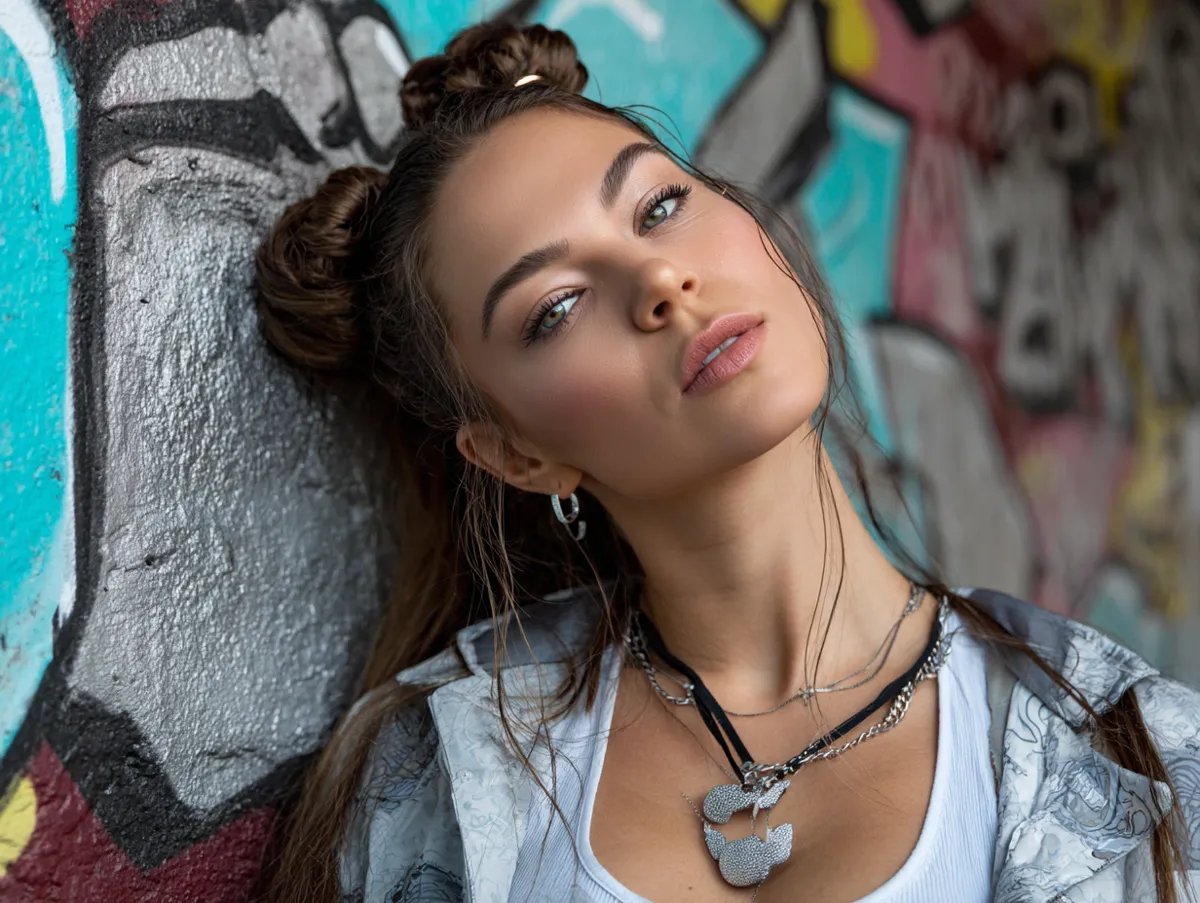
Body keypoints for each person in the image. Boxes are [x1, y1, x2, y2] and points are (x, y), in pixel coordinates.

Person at [254, 21, 1200, 903]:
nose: (659, 281)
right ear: (517, 453)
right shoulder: (435, 777)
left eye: (660, 205)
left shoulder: (1141, 758)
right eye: (555, 307)